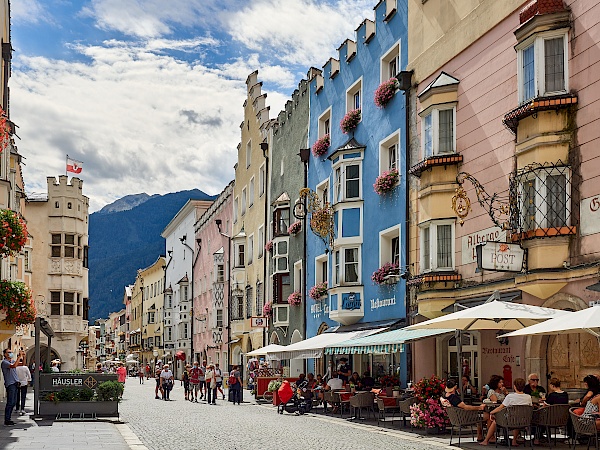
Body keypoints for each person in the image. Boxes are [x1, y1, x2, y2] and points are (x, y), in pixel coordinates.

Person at [480, 378, 532, 446]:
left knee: (495, 421)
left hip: (510, 421)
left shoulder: (510, 396)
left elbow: (500, 408)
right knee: (517, 417)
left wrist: (491, 412)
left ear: (514, 386)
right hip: (523, 420)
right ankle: (514, 440)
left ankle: (486, 440)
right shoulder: (528, 397)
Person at [2, 348, 22, 426]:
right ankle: (7, 420)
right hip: (10, 384)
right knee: (10, 402)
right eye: (8, 352)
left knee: (14, 402)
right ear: (5, 354)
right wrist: (18, 357)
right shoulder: (4, 362)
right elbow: (13, 366)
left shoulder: (12, 361)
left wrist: (23, 356)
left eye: (11, 352)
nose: (10, 354)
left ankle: (8, 418)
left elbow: (22, 364)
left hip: (15, 383)